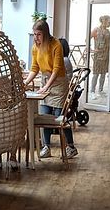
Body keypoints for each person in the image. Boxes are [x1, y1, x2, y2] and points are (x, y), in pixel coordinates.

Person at [25, 18, 77, 159]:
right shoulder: (35, 47)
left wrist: (47, 86)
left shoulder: (56, 45)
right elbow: (34, 68)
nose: (36, 37)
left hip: (58, 83)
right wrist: (26, 82)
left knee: (60, 118)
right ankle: (46, 147)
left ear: (46, 33)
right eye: (34, 34)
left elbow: (57, 69)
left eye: (39, 34)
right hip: (46, 81)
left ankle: (71, 147)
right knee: (44, 114)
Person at [90, 14, 110, 94]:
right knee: (96, 74)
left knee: (103, 74)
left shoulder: (108, 31)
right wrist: (91, 50)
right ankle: (92, 90)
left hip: (106, 55)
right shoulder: (96, 29)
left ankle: (101, 90)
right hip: (98, 56)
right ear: (104, 21)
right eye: (109, 22)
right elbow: (87, 38)